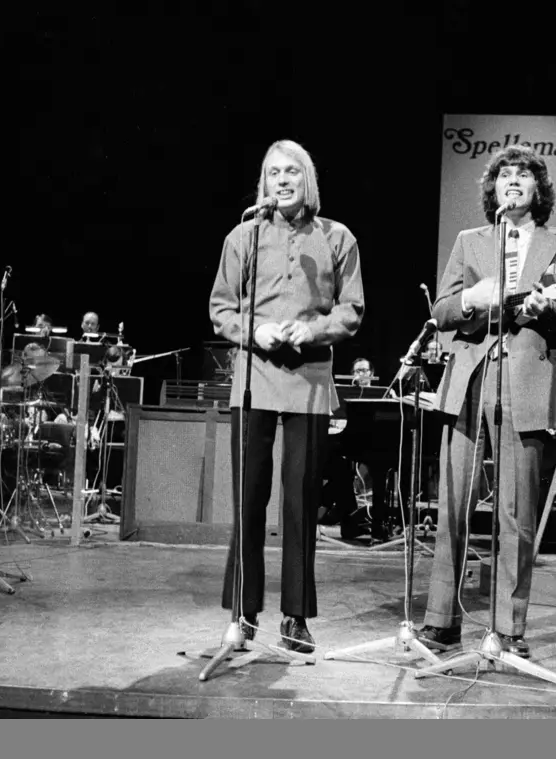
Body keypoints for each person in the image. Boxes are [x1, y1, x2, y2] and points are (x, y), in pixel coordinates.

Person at [417, 145, 556, 658]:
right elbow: (443, 308)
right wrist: (473, 299)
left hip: (530, 382)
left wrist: (548, 312)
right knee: (453, 504)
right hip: (471, 379)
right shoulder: (469, 242)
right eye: (503, 176)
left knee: (515, 514)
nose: (512, 182)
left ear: (538, 190)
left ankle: (508, 629)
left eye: (523, 176)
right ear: (492, 190)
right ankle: (442, 622)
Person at [208, 139, 365, 654]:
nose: (282, 180)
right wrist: (255, 333)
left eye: (292, 171)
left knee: (301, 504)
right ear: (263, 181)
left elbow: (352, 310)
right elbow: (221, 308)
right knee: (249, 499)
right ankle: (243, 611)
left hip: (311, 381)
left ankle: (295, 616)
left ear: (307, 179)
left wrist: (312, 331)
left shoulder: (338, 237)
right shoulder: (243, 235)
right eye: (273, 172)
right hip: (254, 376)